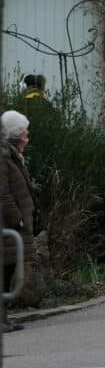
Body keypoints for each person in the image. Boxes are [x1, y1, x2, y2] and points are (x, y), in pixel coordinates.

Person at [2, 111, 35, 333]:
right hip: (8, 226)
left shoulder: (12, 155)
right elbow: (3, 193)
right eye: (24, 130)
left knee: (8, 271)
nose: (27, 134)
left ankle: (4, 318)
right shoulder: (4, 157)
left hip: (13, 226)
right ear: (15, 134)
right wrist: (18, 218)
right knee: (4, 272)